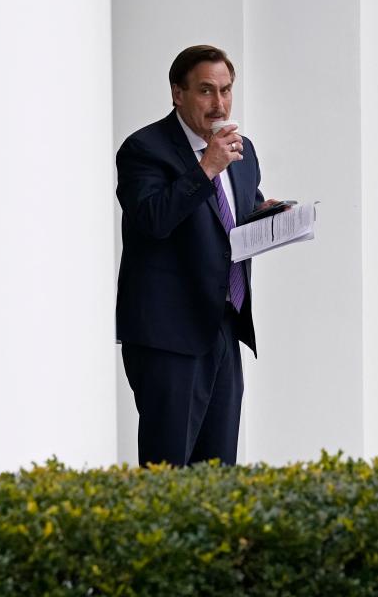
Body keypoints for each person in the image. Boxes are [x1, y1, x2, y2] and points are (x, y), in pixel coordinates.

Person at [115, 45, 274, 466]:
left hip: (224, 325)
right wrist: (206, 167)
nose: (219, 104)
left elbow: (235, 220)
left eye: (226, 90)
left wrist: (270, 216)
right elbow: (153, 219)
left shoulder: (242, 150)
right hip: (168, 335)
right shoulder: (144, 149)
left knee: (218, 470)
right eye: (206, 91)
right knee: (168, 468)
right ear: (177, 93)